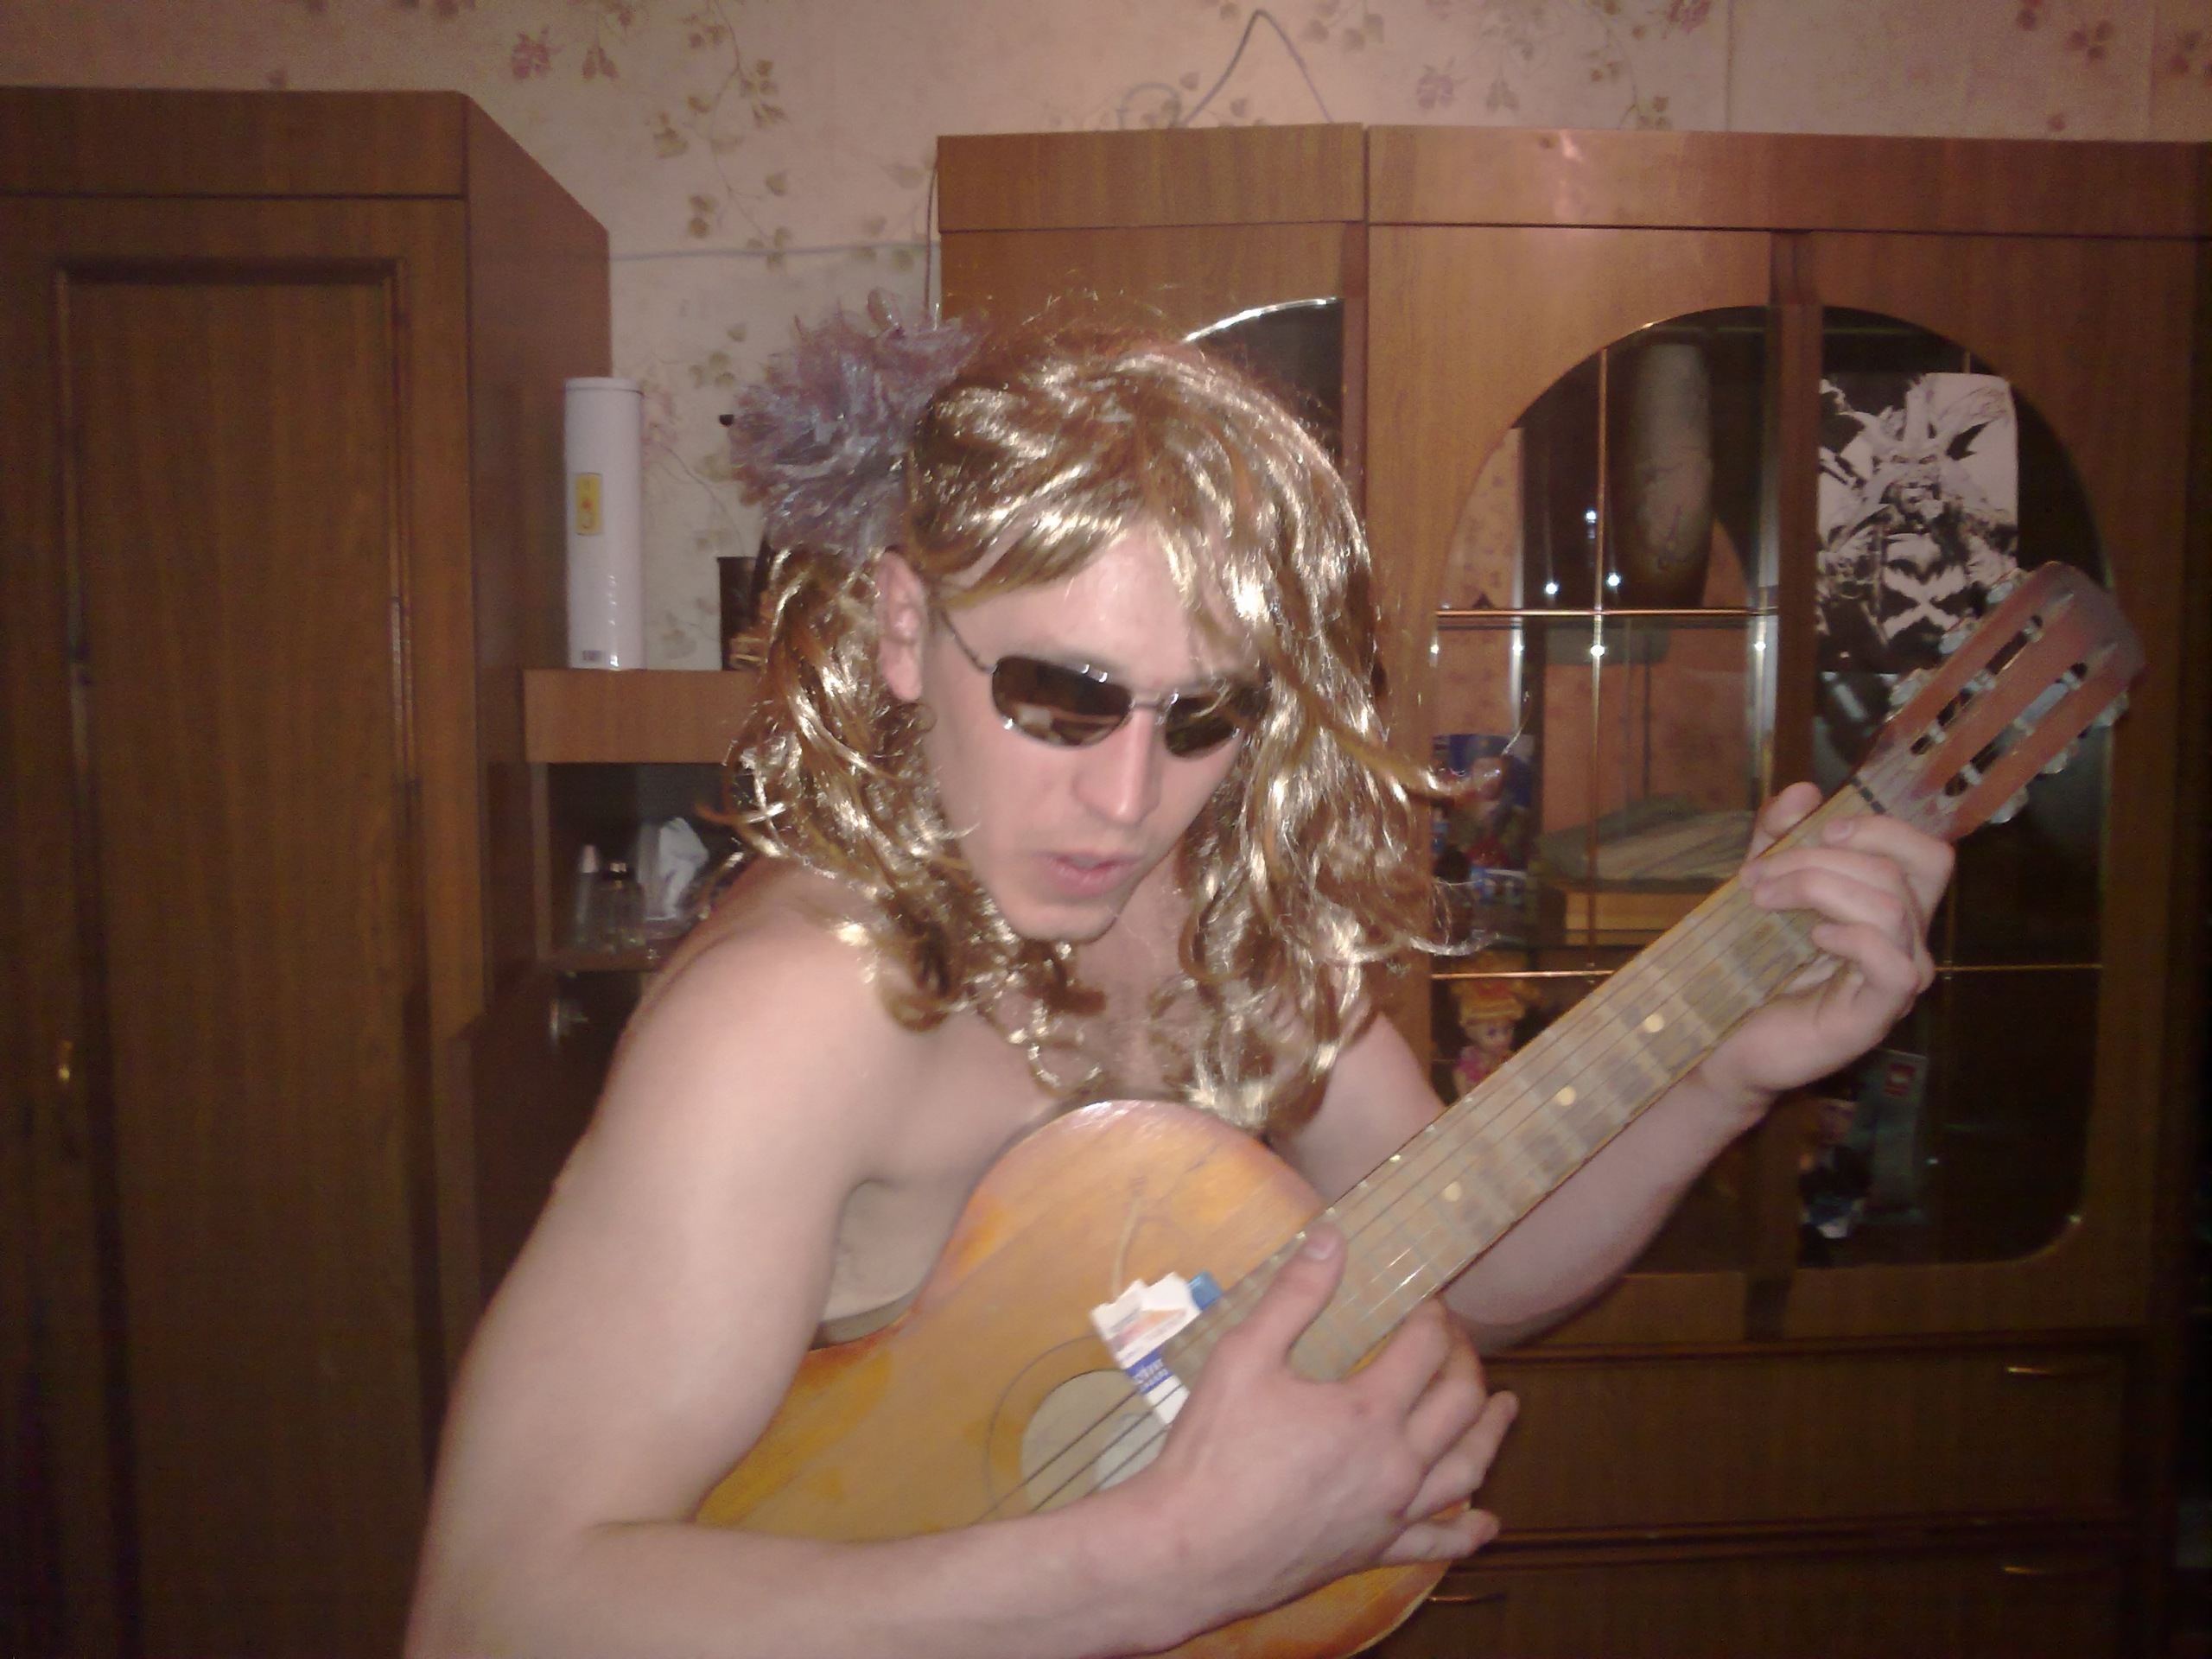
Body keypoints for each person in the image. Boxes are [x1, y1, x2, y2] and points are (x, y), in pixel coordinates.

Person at [405, 308, 1952, 1659]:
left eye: (1202, 716)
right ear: (904, 631)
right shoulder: (795, 1018)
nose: (1130, 803)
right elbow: (495, 1616)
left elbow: (1459, 1267)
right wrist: (1160, 1566)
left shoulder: (1215, 916)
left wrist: (1718, 1074)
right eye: (1058, 697)